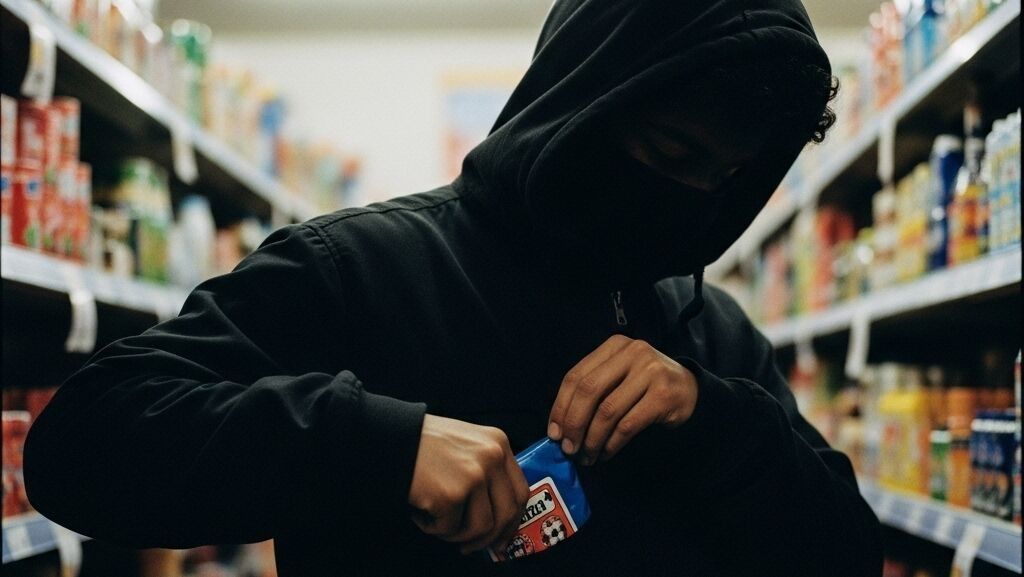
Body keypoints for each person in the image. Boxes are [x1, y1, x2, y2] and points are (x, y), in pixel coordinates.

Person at [24, 0, 883, 575]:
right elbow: (83, 442)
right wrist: (379, 446)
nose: (693, 196)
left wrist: (714, 420)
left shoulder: (712, 334)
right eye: (670, 153)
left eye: (726, 177)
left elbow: (847, 552)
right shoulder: (357, 268)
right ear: (585, 106)